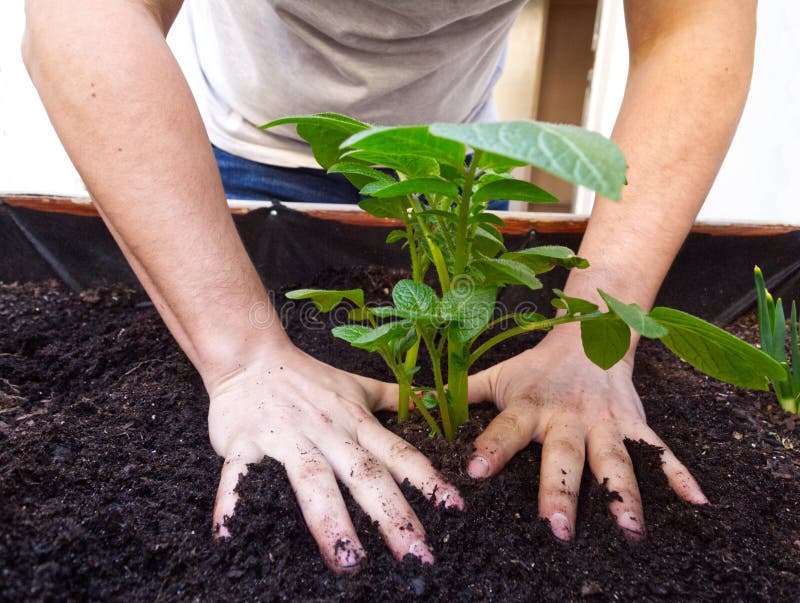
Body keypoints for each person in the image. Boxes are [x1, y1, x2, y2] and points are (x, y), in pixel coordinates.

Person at [23, 0, 756, 573]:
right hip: (244, 154)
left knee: (463, 305)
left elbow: (691, 25)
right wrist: (241, 350)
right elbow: (78, 14)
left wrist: (593, 335)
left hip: (458, 171)